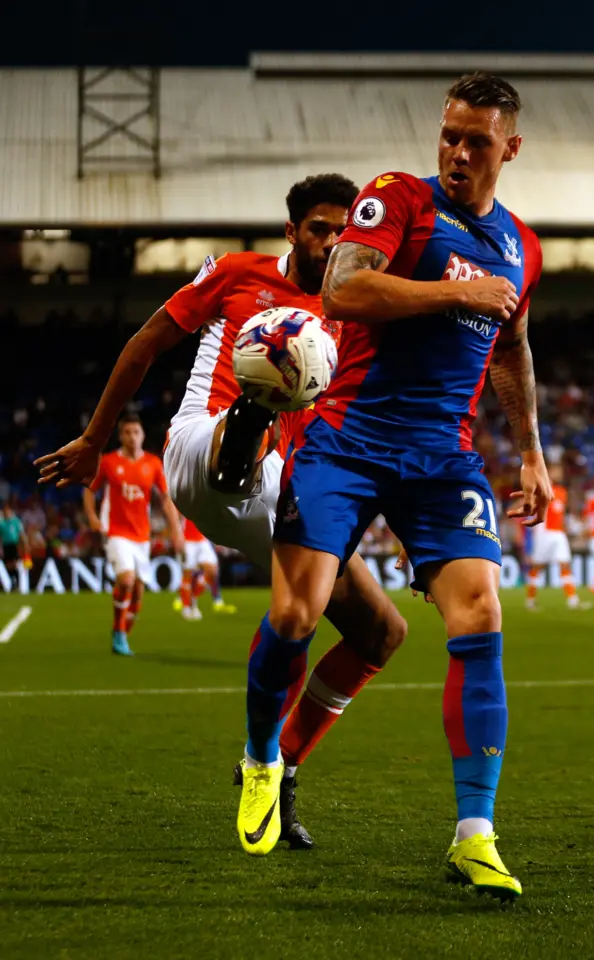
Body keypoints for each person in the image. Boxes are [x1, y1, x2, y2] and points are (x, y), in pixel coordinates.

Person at [236, 72, 553, 898]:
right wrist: (458, 290)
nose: (456, 151)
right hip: (345, 441)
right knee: (295, 613)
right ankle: (263, 757)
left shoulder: (521, 245)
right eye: (449, 133)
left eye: (476, 139)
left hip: (441, 458)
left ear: (508, 148)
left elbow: (512, 348)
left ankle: (474, 835)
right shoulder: (397, 198)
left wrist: (532, 452)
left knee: (481, 613)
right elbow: (343, 287)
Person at [35, 174, 408, 850]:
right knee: (283, 358)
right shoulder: (237, 275)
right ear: (292, 232)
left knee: (379, 633)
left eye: (342, 229)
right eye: (319, 228)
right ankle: (253, 416)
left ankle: (275, 765)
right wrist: (94, 438)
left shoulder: (362, 316)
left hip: (274, 493)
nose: (331, 241)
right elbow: (146, 342)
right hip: (200, 450)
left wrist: (405, 527)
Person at [81, 413, 184, 655]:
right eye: (127, 432)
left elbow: (166, 499)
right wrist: (94, 518)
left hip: (142, 537)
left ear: (143, 435)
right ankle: (118, 633)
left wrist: (177, 531)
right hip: (115, 533)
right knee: (126, 580)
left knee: (138, 592)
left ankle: (121, 634)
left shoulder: (153, 464)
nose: (132, 437)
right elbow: (88, 491)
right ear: (120, 436)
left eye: (136, 432)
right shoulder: (108, 462)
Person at [525, 464, 591, 610]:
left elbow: (560, 514)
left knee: (565, 564)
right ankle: (530, 600)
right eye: (555, 471)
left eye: (560, 471)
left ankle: (572, 600)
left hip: (559, 533)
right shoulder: (541, 490)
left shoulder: (562, 492)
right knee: (537, 566)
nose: (558, 473)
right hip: (545, 533)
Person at [173, 516, 237, 619]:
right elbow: (176, 515)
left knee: (212, 571)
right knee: (187, 574)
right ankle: (186, 608)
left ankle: (192, 598)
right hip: (187, 539)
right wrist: (177, 536)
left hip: (202, 539)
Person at [0, 503, 31, 591]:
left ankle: (15, 581)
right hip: (6, 546)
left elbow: (21, 534)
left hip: (15, 545)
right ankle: (11, 581)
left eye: (7, 511)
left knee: (15, 563)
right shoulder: (2, 523)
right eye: (4, 512)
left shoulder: (16, 521)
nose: (6, 513)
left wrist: (25, 545)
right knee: (7, 564)